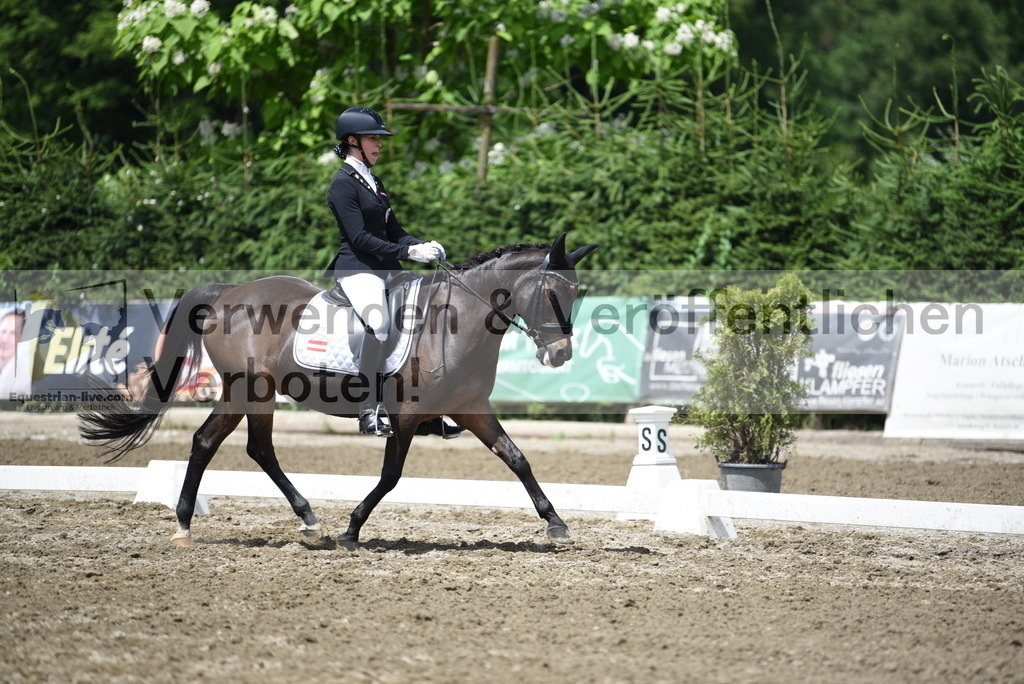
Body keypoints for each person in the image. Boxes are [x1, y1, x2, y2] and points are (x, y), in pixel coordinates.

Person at [323, 106, 446, 436]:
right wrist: (408, 252)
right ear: (353, 141)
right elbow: (361, 238)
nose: (379, 144)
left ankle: (427, 411)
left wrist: (424, 246)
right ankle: (367, 409)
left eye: (379, 138)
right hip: (358, 269)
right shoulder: (342, 184)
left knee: (426, 312)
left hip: (387, 269)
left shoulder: (373, 181)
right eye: (373, 138)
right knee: (377, 324)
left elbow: (396, 233)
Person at [0, 308, 31, 399]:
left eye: (13, 333)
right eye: (3, 332)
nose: (5, 339)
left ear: (22, 337)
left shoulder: (25, 376)